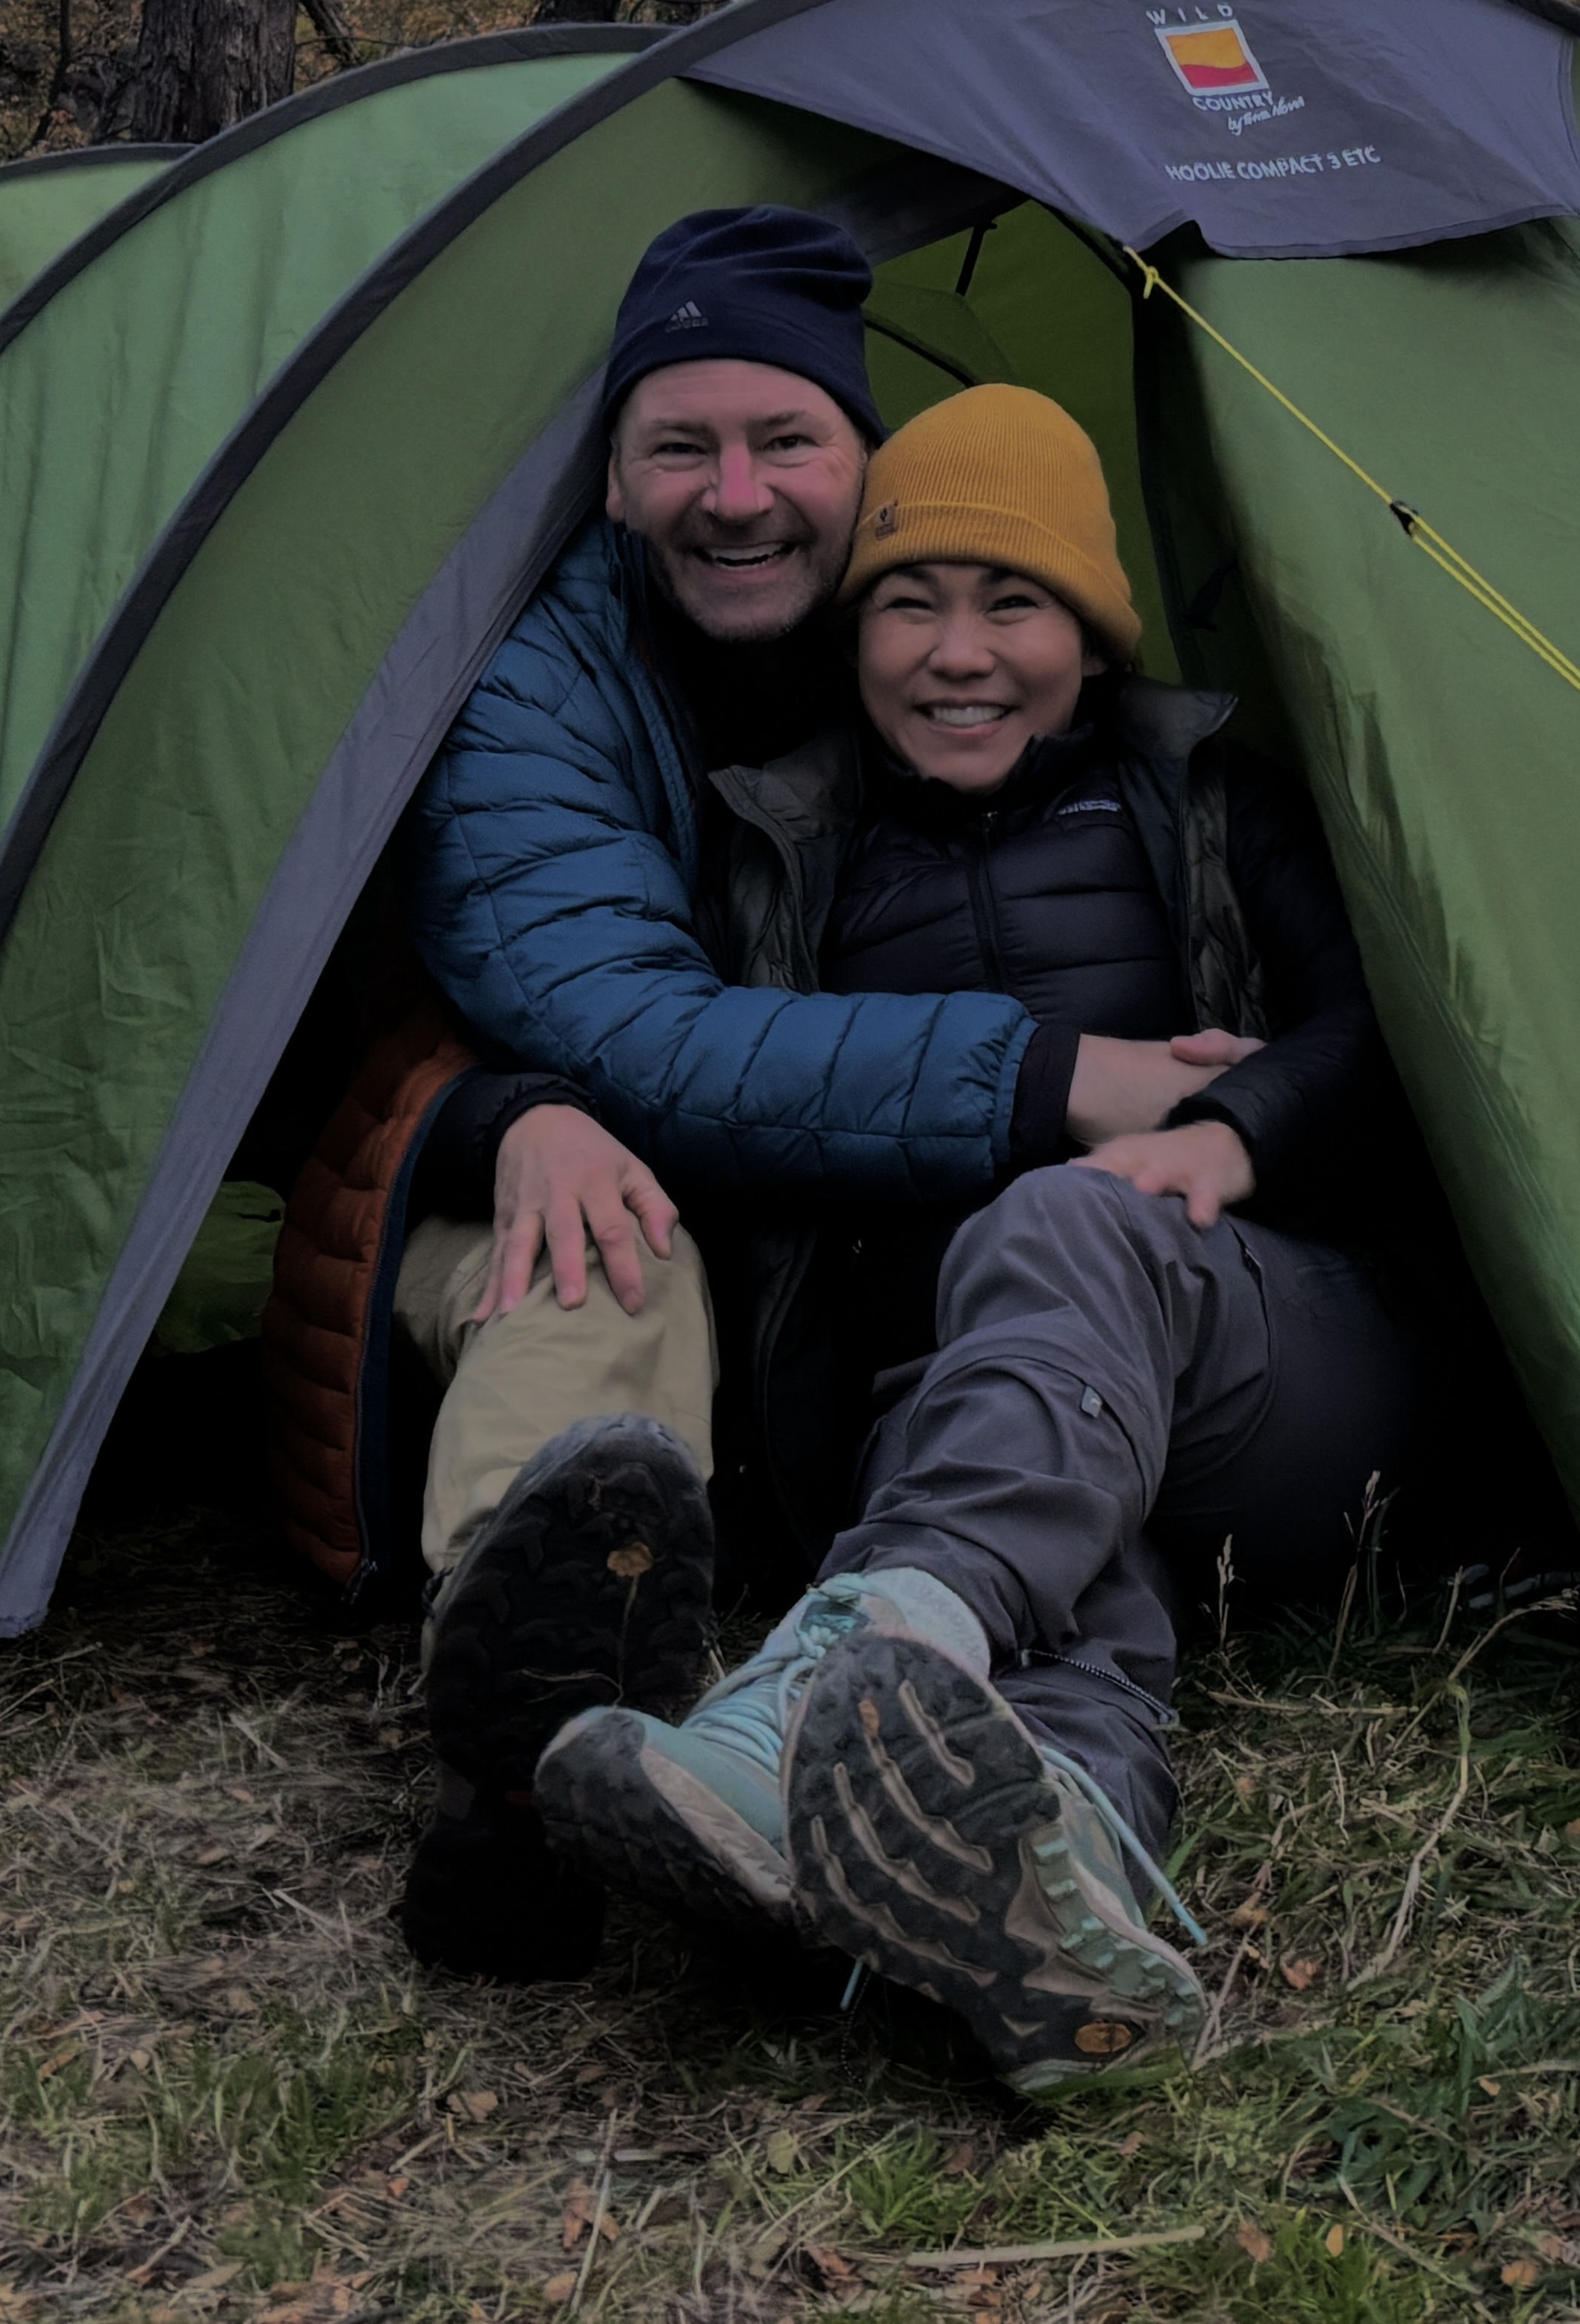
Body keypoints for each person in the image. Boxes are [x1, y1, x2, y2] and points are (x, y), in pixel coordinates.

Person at [384, 214, 1268, 1984]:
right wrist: (507, 1114)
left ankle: (1036, 1845)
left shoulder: (992, 705)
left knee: (1023, 1384)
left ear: (865, 469)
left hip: (981, 1280)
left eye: (786, 438)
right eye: (679, 447)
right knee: (604, 1243)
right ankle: (527, 1754)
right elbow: (619, 1022)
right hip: (560, 1161)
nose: (736, 494)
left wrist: (1239, 1119)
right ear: (613, 483)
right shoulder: (537, 679)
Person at [529, 381, 1423, 2092]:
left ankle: (815, 1693)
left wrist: (1235, 1138)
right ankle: (1062, 1887)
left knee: (1069, 1224)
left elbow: (1392, 1025)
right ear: (852, 637)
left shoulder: (1212, 799)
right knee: (1049, 1547)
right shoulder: (785, 849)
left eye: (1012, 602)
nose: (958, 652)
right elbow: (667, 1046)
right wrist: (527, 1117)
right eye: (908, 604)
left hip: (1265, 1357)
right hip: (970, 1408)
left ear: (1091, 632)